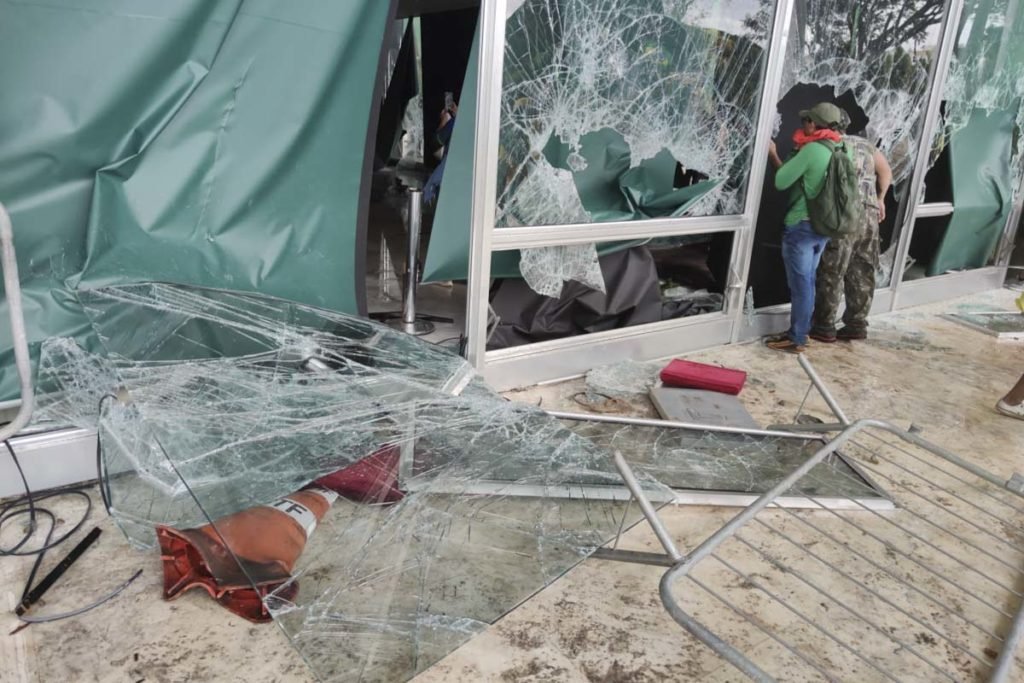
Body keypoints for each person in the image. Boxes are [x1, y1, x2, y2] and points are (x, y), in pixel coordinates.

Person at [764, 102, 848, 354]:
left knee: (801, 285)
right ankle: (802, 331)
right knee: (808, 281)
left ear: (814, 124)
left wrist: (773, 154)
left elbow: (781, 181)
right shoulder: (842, 149)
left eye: (805, 121)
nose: (803, 125)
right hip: (825, 226)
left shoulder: (812, 151)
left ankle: (797, 337)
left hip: (801, 226)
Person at [809, 123, 892, 342]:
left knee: (832, 270)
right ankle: (856, 324)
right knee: (862, 270)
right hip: (870, 217)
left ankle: (824, 326)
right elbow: (885, 171)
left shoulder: (829, 146)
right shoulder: (866, 145)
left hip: (844, 216)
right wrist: (881, 199)